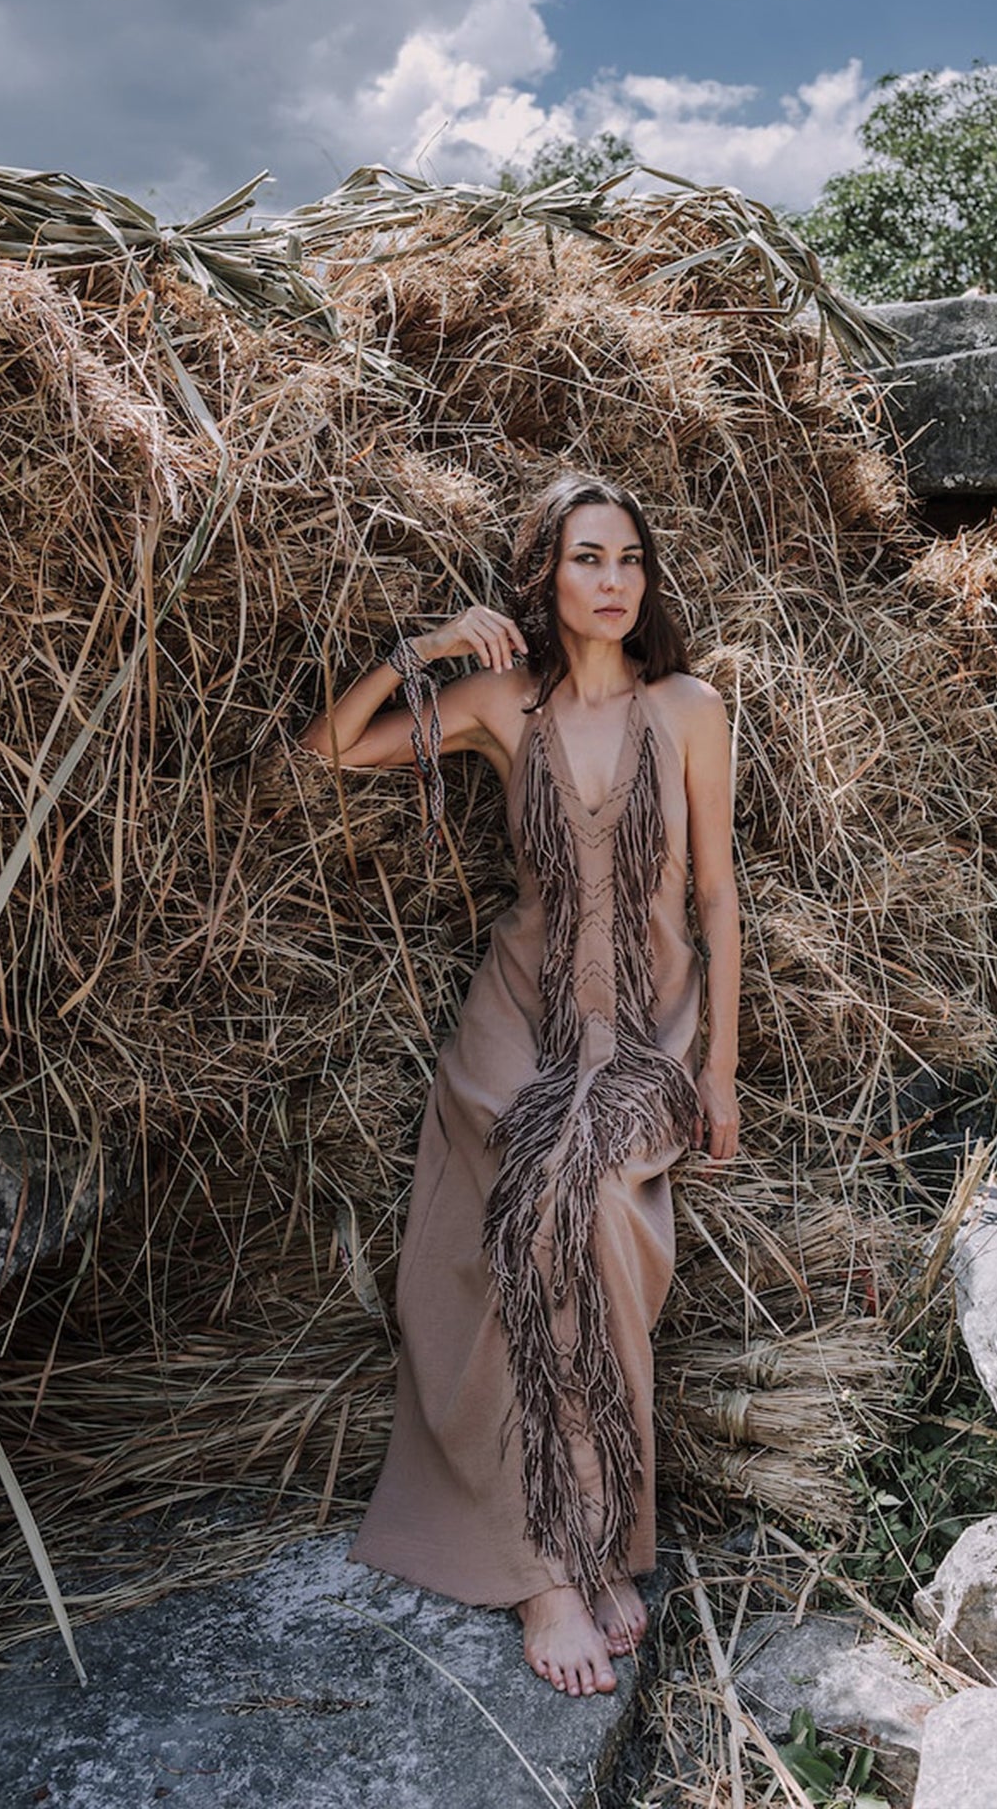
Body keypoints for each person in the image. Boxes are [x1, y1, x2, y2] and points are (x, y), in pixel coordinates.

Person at [300, 472, 740, 1698]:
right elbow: (332, 748)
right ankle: (551, 1565)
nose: (613, 581)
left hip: (644, 1033)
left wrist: (719, 1069)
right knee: (526, 1229)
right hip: (518, 1029)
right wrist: (427, 648)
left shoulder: (691, 707)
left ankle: (594, 1532)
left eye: (630, 561)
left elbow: (714, 898)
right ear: (546, 575)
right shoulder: (500, 701)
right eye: (588, 557)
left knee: (597, 1220)